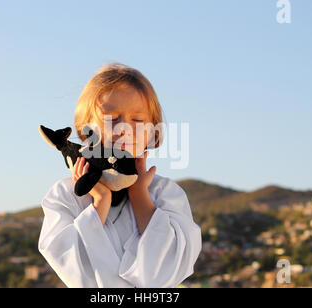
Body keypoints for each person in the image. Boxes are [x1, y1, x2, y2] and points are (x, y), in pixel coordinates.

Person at [38, 63, 202, 287]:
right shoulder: (65, 195)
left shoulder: (166, 194)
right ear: (85, 130)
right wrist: (100, 202)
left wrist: (139, 193)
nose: (124, 128)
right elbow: (75, 270)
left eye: (137, 120)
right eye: (111, 119)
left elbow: (165, 271)